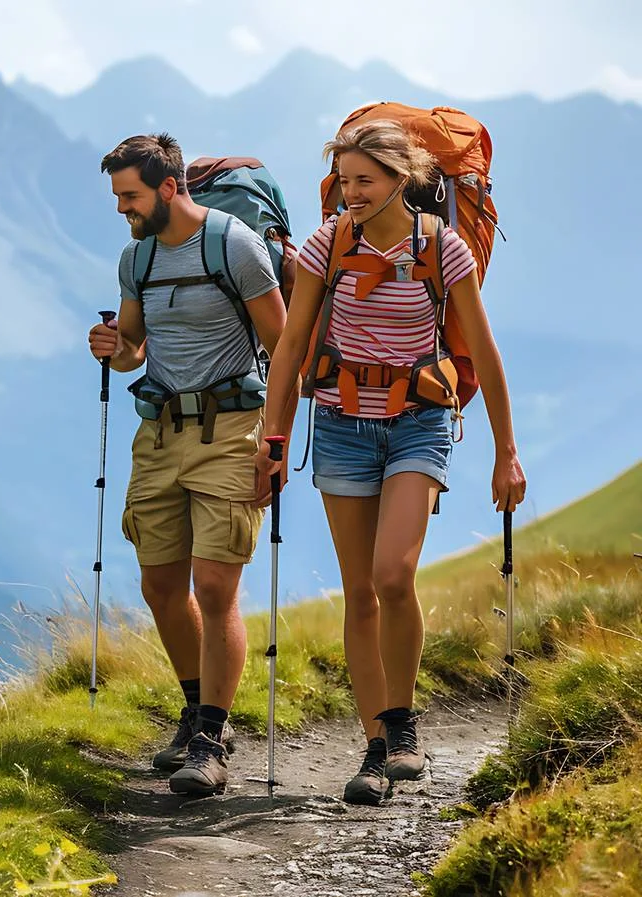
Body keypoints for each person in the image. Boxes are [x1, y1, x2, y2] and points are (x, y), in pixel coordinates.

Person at [254, 118, 527, 805]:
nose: (351, 193)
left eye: (363, 180)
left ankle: (402, 723)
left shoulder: (444, 249)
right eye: (343, 181)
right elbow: (289, 349)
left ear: (402, 180)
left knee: (392, 574)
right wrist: (274, 437)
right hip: (341, 423)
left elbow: (485, 355)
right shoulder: (328, 245)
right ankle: (376, 748)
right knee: (359, 592)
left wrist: (508, 453)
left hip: (419, 422)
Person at [89, 133, 288, 796]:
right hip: (161, 431)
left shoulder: (234, 245)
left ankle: (211, 736)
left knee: (215, 586)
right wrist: (111, 346)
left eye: (130, 195)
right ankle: (197, 710)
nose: (122, 208)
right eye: (118, 196)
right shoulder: (136, 258)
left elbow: (281, 346)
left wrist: (276, 441)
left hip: (232, 428)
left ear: (169, 187)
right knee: (160, 586)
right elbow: (133, 350)